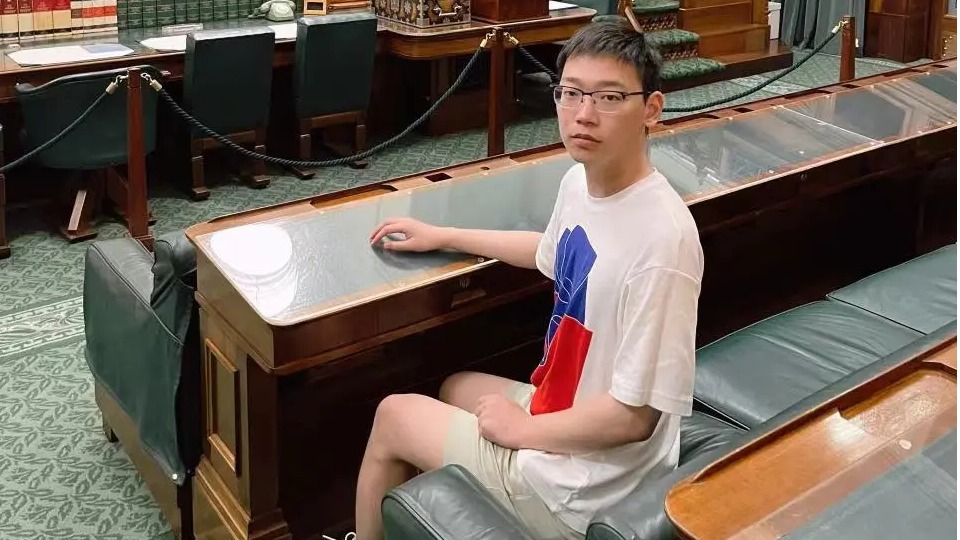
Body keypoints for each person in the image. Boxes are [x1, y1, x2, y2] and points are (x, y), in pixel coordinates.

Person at [348, 17, 703, 540]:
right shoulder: (580, 182)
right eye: (571, 93)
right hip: (566, 407)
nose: (584, 114)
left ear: (651, 109)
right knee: (455, 386)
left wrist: (525, 431)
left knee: (393, 415)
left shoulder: (663, 241)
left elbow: (635, 419)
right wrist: (443, 234)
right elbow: (548, 252)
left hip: (586, 485)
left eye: (609, 98)